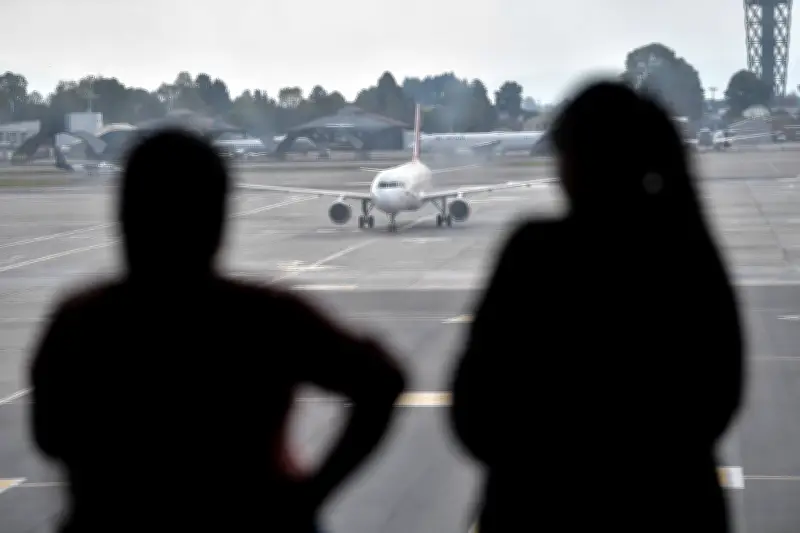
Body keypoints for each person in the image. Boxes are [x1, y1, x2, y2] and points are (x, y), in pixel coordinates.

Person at [29, 129, 406, 533]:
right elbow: (383, 380)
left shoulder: (81, 320)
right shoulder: (265, 316)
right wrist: (311, 495)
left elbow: (48, 437)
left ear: (123, 214)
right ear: (218, 218)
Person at [449, 81, 743, 532]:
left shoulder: (536, 253)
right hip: (676, 503)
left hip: (537, 503)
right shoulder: (684, 255)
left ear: (573, 162)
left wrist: (531, 466)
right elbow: (720, 399)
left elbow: (473, 412)